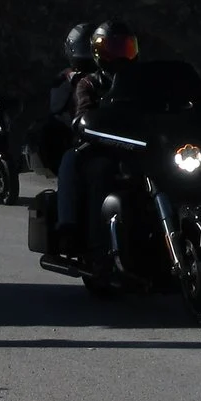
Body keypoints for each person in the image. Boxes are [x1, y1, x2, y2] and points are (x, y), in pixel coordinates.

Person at [49, 19, 138, 261]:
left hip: (139, 145)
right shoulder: (88, 82)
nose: (119, 56)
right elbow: (82, 113)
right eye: (112, 50)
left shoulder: (141, 81)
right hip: (103, 145)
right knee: (93, 169)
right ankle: (87, 241)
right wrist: (88, 123)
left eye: (125, 49)